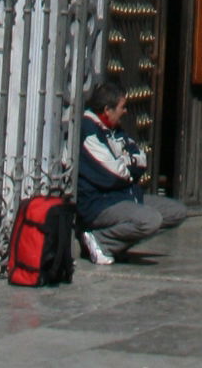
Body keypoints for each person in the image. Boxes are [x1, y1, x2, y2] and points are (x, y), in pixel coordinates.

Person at [75, 76, 192, 266]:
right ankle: (101, 240)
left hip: (126, 196)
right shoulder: (90, 132)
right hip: (100, 203)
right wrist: (127, 167)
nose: (125, 111)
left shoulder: (115, 129)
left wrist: (124, 163)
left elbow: (140, 159)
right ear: (107, 110)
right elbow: (113, 174)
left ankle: (115, 245)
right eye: (122, 107)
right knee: (150, 220)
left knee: (176, 212)